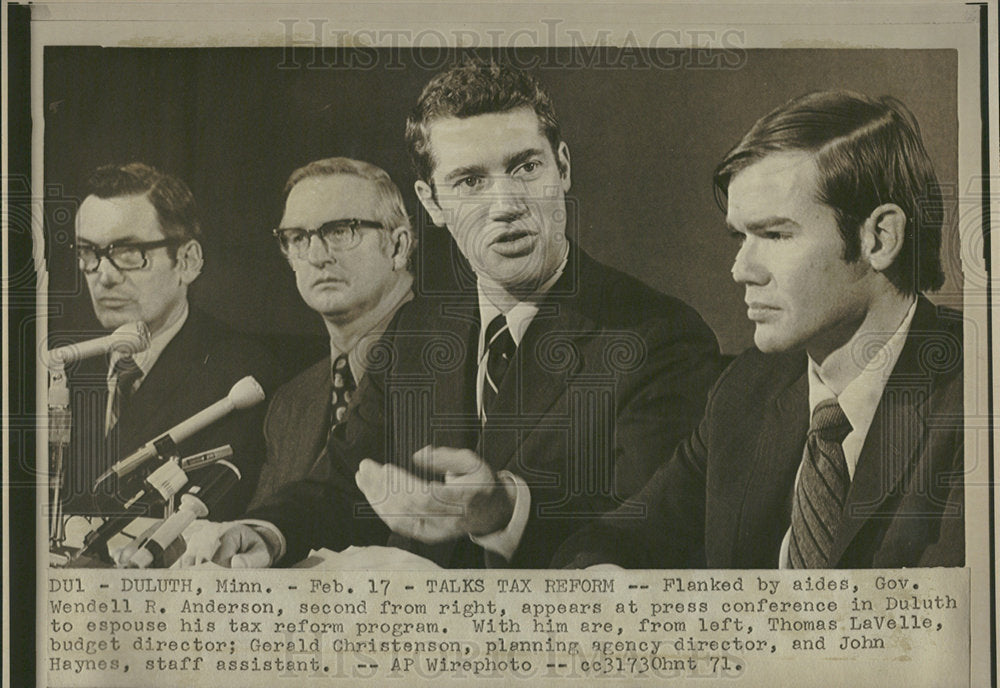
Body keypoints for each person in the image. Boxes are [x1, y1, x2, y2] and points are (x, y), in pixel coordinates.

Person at [187, 60, 720, 569]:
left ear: (562, 167)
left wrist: (507, 512)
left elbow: (650, 533)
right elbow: (342, 482)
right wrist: (266, 532)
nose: (506, 204)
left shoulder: (659, 337)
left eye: (526, 167)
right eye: (470, 182)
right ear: (432, 204)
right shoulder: (418, 331)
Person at [553, 90, 964, 569]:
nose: (740, 270)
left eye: (775, 235)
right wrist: (603, 580)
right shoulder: (746, 390)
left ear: (880, 238)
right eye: (740, 236)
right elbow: (612, 539)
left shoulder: (979, 395)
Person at [61, 163, 277, 520]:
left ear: (188, 261)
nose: (104, 276)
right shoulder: (64, 369)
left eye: (128, 252)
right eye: (89, 253)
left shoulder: (238, 373)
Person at [245, 157, 415, 508]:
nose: (316, 256)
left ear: (398, 246)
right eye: (297, 238)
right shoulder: (291, 403)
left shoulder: (460, 360)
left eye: (339, 232)